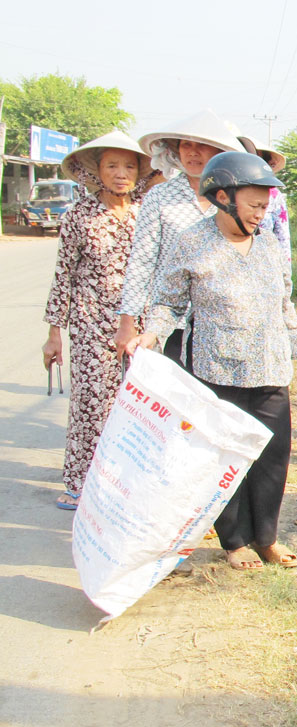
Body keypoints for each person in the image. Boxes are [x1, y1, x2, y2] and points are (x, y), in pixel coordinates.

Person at [128, 152, 297, 572]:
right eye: (254, 205)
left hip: (270, 368)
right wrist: (152, 334)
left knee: (272, 455)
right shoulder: (192, 243)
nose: (261, 213)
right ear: (222, 197)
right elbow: (168, 301)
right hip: (217, 370)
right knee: (226, 457)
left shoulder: (268, 242)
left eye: (265, 206)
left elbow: (284, 304)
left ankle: (266, 537)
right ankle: (234, 542)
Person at [41, 131, 155, 511]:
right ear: (97, 171)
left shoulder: (148, 211)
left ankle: (126, 484)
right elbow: (63, 276)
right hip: (91, 324)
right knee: (91, 404)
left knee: (137, 405)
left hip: (141, 325)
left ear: (139, 171)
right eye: (112, 165)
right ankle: (80, 483)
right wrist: (54, 334)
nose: (121, 173)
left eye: (128, 165)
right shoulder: (79, 215)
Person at [114, 109, 245, 365]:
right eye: (186, 145)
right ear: (176, 150)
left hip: (227, 322)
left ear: (219, 153)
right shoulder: (159, 197)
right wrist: (127, 322)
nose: (192, 152)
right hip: (170, 325)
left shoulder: (237, 198)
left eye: (201, 146)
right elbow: (141, 263)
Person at [236, 134, 291, 270]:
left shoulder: (274, 195)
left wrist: (285, 274)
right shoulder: (223, 192)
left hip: (265, 268)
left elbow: (283, 238)